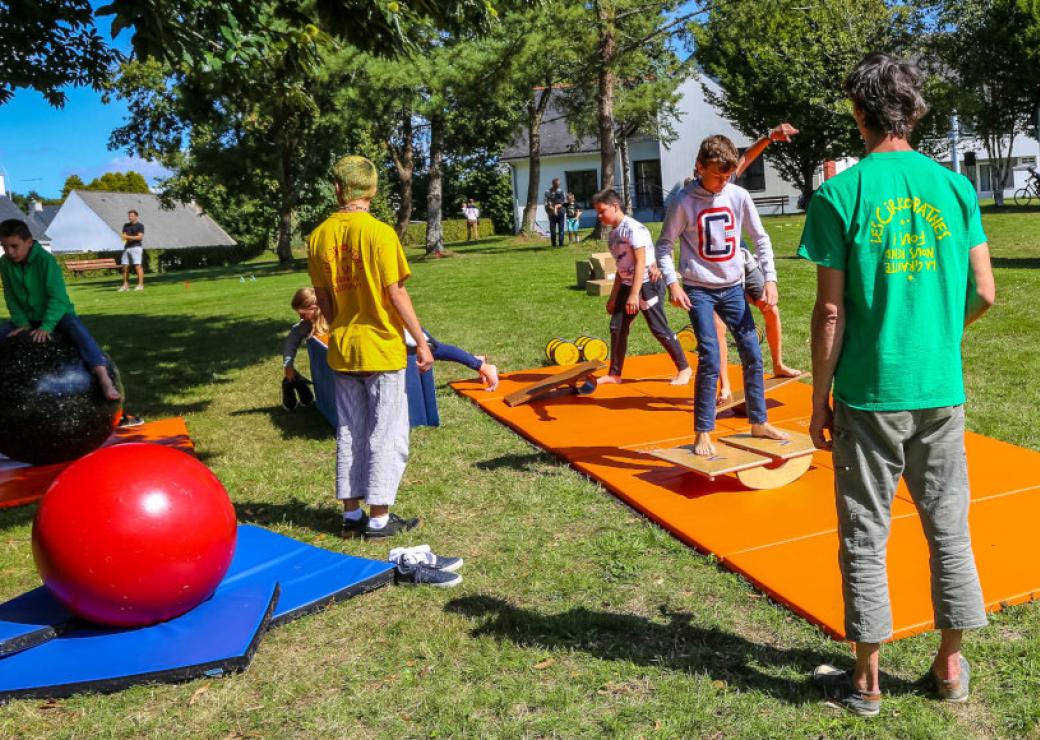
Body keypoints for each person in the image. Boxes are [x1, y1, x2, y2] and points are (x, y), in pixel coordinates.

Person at [800, 53, 994, 717]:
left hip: (868, 392)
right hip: (941, 386)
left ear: (860, 113)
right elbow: (985, 293)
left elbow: (831, 311)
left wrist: (817, 398)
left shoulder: (838, 195)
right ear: (913, 113)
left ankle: (869, 682)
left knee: (864, 535)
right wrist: (939, 336)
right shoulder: (957, 188)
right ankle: (951, 664)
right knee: (949, 529)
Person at [308, 155, 433, 540]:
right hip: (381, 347)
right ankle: (379, 518)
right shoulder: (380, 234)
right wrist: (422, 342)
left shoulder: (318, 237)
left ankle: (351, 515)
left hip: (343, 349)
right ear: (373, 190)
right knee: (387, 432)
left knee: (349, 429)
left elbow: (324, 301)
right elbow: (395, 293)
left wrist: (337, 326)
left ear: (338, 188)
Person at [654, 136, 789, 456]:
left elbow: (761, 239)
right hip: (699, 290)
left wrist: (769, 279)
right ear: (699, 167)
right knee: (711, 358)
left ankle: (758, 421)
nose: (721, 182)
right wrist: (672, 283)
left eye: (727, 177)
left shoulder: (738, 196)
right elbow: (663, 246)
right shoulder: (683, 201)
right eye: (716, 175)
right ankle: (703, 432)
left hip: (733, 288)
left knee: (753, 355)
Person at [282, 287, 499, 407]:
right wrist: (288, 365)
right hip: (389, 344)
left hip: (404, 333)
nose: (301, 318)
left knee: (436, 350)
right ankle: (475, 360)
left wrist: (418, 341)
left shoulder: (337, 314)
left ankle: (480, 365)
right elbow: (292, 339)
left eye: (302, 313)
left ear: (314, 308)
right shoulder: (307, 325)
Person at [0, 219, 121, 401]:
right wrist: (23, 323)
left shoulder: (46, 261)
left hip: (58, 314)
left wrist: (47, 326)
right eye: (4, 246)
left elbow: (57, 297)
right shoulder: (5, 264)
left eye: (14, 246)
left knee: (78, 332)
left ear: (29, 242)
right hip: (28, 318)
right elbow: (10, 296)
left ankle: (104, 378)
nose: (9, 252)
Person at [592, 189, 692, 387]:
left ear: (614, 206)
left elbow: (640, 263)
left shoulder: (633, 229)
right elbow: (622, 269)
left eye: (602, 211)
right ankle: (615, 374)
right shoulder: (613, 235)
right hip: (628, 285)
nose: (599, 216)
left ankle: (684, 368)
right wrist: (613, 297)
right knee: (617, 327)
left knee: (658, 327)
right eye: (597, 212)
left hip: (647, 285)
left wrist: (634, 295)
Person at [118, 210, 145, 292]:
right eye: (129, 216)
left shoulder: (140, 226)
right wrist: (124, 237)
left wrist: (128, 237)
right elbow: (123, 237)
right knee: (125, 267)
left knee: (138, 266)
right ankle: (125, 286)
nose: (130, 217)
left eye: (132, 216)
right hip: (127, 248)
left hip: (136, 247)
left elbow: (140, 237)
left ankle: (140, 285)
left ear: (136, 216)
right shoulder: (126, 225)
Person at [544, 178, 566, 247]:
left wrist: (558, 206)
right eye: (556, 185)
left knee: (561, 229)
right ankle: (553, 244)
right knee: (553, 231)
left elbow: (565, 203)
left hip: (561, 213)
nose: (558, 186)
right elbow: (545, 203)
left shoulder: (561, 191)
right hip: (551, 214)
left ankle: (561, 243)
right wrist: (552, 209)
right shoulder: (547, 192)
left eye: (559, 185)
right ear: (553, 184)